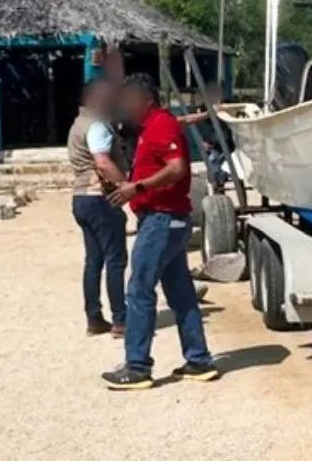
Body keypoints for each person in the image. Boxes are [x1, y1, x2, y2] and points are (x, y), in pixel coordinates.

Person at [102, 73, 218, 390]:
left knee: (139, 290)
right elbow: (176, 134)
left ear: (144, 100)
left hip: (162, 220)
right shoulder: (156, 124)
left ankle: (137, 367)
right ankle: (199, 360)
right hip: (168, 219)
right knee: (181, 294)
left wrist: (136, 187)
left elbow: (178, 167)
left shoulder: (160, 124)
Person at [66, 78, 129, 337]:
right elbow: (102, 162)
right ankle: (121, 320)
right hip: (99, 197)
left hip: (81, 197)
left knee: (94, 261)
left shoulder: (78, 123)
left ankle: (94, 318)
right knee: (115, 260)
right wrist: (127, 185)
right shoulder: (97, 126)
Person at [177, 82, 233, 194]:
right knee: (214, 164)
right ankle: (218, 186)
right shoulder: (206, 107)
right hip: (216, 141)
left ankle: (218, 184)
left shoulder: (228, 105)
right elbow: (197, 123)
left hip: (227, 141)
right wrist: (202, 140)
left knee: (216, 164)